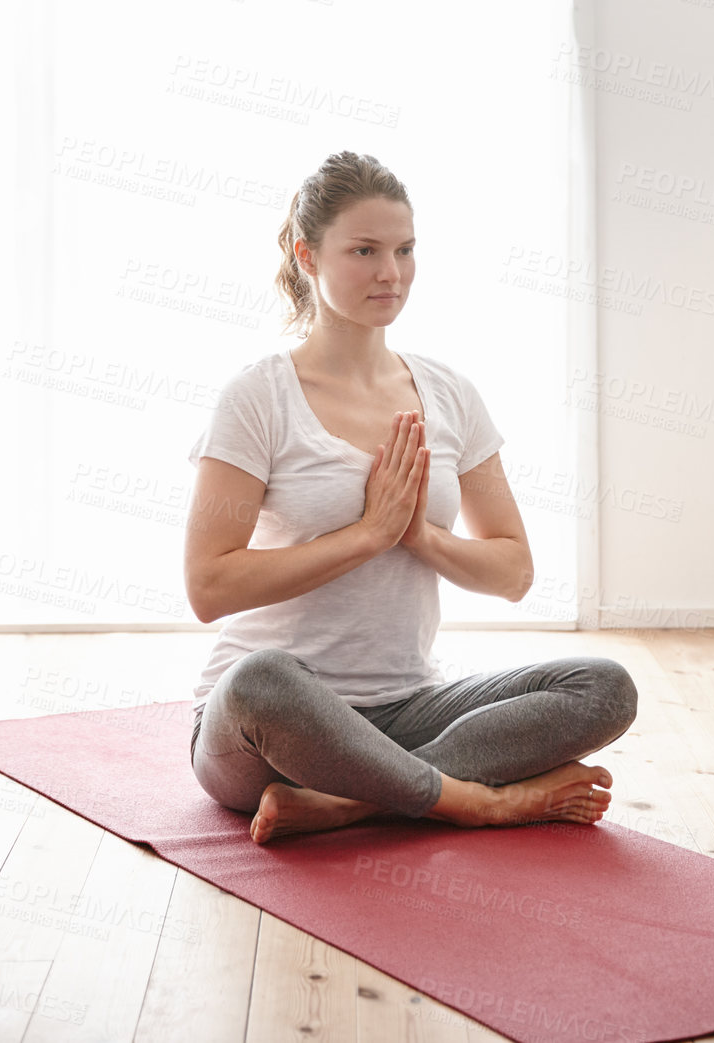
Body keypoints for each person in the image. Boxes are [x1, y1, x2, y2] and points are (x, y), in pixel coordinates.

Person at [184, 150, 638, 844]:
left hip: (406, 706)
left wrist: (419, 536)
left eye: (403, 249)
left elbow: (513, 570)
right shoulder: (258, 397)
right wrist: (365, 534)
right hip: (273, 726)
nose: (390, 272)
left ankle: (352, 802)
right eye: (364, 250)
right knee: (259, 680)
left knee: (603, 686)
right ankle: (477, 801)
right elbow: (208, 586)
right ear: (308, 255)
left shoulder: (449, 393)